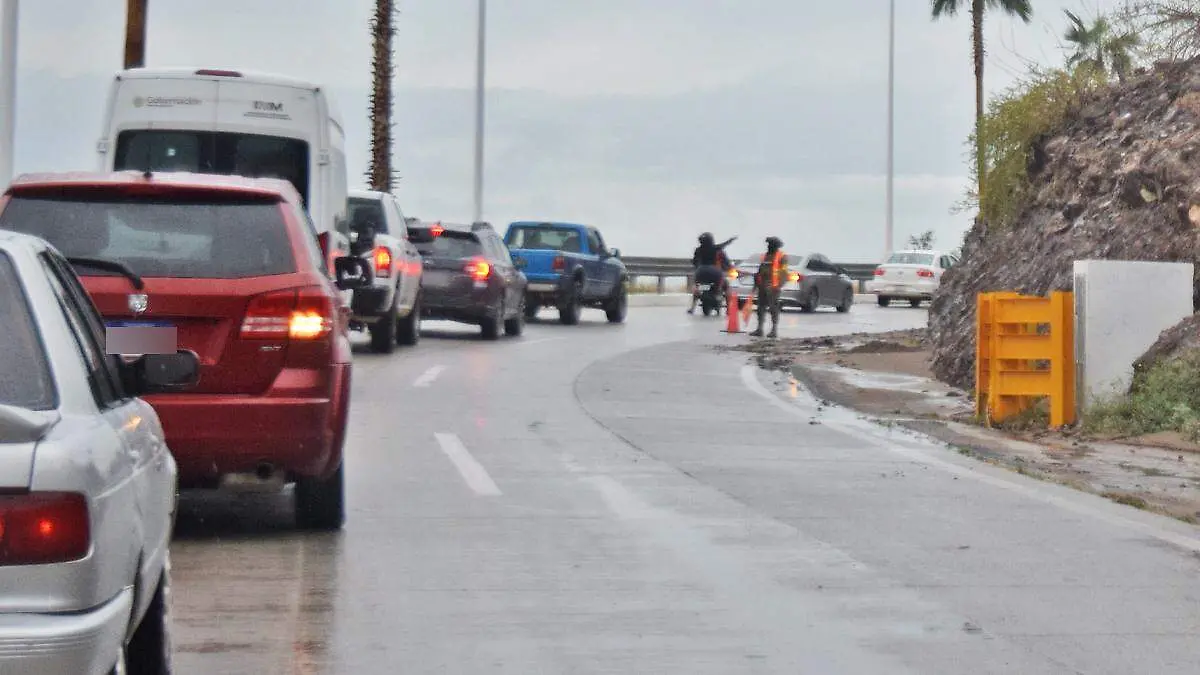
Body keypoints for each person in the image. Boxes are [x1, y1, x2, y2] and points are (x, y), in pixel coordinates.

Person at [688, 232, 737, 314]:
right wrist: (731, 240)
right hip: (715, 272)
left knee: (698, 286)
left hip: (701, 271)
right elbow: (724, 247)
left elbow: (695, 262)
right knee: (726, 286)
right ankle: (728, 309)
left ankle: (692, 307)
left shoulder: (698, 250)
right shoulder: (717, 249)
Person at [751, 236, 788, 338]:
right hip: (762, 284)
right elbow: (760, 270)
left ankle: (774, 330)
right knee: (760, 308)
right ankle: (759, 329)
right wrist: (756, 283)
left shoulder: (782, 257)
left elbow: (784, 273)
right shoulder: (765, 256)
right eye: (768, 244)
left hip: (773, 286)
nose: (768, 246)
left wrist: (778, 285)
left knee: (773, 308)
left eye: (770, 244)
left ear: (775, 246)